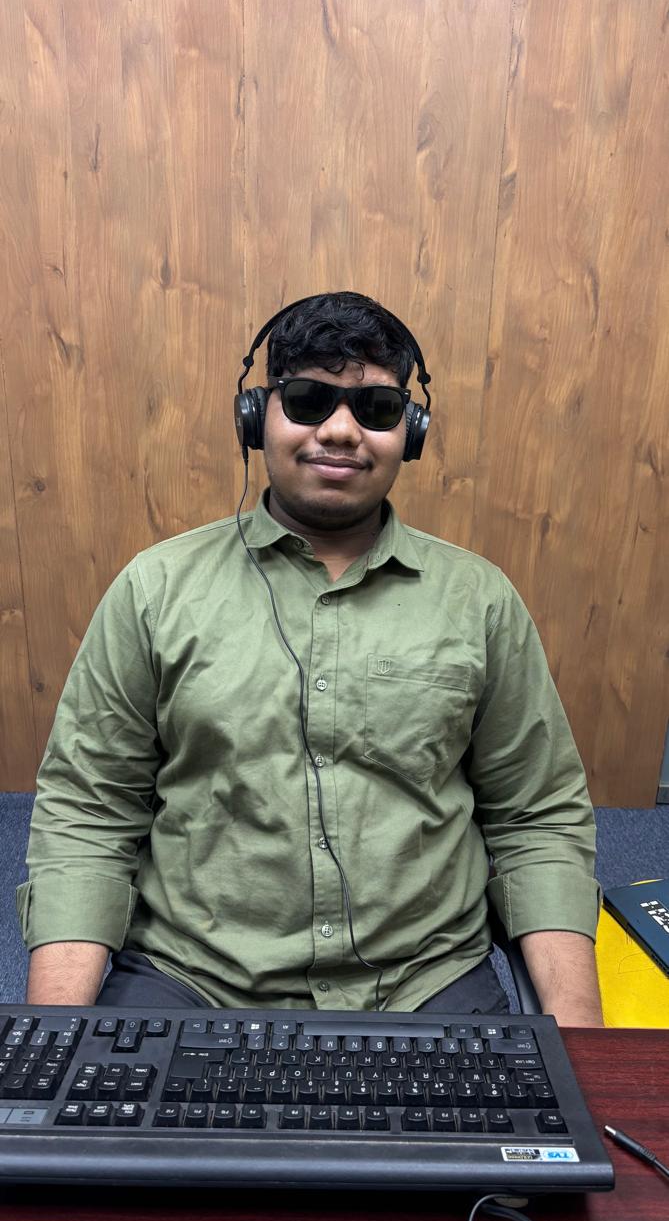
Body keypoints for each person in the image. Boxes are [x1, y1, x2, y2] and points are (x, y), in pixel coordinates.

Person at [19, 291, 604, 1024]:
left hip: (427, 981)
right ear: (256, 416)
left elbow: (537, 817)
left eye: (376, 409)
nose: (340, 430)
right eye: (307, 400)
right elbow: (89, 810)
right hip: (193, 978)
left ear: (410, 433)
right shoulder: (155, 589)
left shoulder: (478, 600)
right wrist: (53, 1040)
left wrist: (581, 1047)